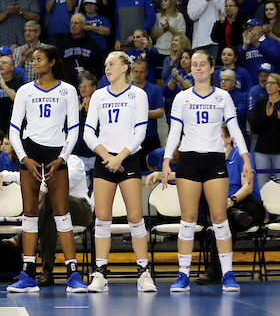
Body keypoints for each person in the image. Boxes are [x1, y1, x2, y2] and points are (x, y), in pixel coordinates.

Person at [163, 49, 252, 292]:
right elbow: (174, 131)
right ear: (190, 69)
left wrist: (244, 156)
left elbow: (234, 128)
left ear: (212, 69)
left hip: (214, 161)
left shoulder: (223, 96)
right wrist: (166, 158)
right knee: (188, 220)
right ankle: (183, 275)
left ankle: (228, 274)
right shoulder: (182, 97)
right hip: (189, 161)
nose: (198, 67)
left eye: (203, 64)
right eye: (194, 64)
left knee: (219, 218)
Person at [6, 44, 86, 293]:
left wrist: (62, 158)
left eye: (40, 59)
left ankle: (73, 275)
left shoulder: (68, 90)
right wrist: (24, 158)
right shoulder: (24, 91)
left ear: (52, 62)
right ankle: (28, 274)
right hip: (30, 151)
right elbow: (13, 129)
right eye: (34, 60)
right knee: (30, 214)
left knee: (62, 213)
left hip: (56, 153)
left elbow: (73, 129)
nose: (35, 63)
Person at [83, 51, 155, 292]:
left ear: (125, 67)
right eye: (105, 64)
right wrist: (107, 157)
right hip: (105, 160)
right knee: (102, 218)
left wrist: (120, 158)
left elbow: (140, 133)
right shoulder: (99, 96)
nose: (107, 68)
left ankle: (144, 273)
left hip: (129, 159)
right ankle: (100, 273)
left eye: (112, 63)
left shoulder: (138, 95)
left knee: (135, 217)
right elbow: (88, 133)